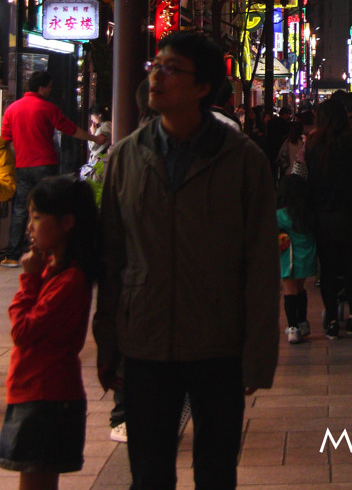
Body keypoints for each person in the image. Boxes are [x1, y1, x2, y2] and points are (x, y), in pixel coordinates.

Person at [93, 32, 279, 490]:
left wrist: (257, 357)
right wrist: (108, 342)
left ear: (202, 88)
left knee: (216, 473)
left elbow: (259, 265)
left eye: (172, 68)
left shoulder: (243, 160)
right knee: (149, 473)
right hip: (146, 342)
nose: (156, 75)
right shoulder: (126, 157)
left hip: (219, 345)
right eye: (156, 65)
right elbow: (111, 258)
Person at [0, 175, 99, 488]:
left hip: (46, 398)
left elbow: (23, 330)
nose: (29, 226)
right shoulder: (54, 270)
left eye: (37, 217)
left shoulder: (69, 280)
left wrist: (29, 281)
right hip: (37, 394)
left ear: (67, 222)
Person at [1, 71, 108, 268]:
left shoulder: (12, 109)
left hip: (22, 166)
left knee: (20, 209)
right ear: (42, 87)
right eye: (49, 86)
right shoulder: (47, 107)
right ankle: (49, 251)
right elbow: (69, 129)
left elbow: (5, 139)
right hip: (44, 164)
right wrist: (94, 138)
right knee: (49, 207)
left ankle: (12, 255)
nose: (50, 90)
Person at [305, 97, 352, 338]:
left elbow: (308, 176)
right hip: (351, 213)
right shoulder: (351, 140)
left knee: (328, 270)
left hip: (323, 215)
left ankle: (332, 318)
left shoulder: (313, 142)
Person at [277, 175, 317, 343]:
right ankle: (303, 322)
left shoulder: (281, 215)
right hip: (307, 259)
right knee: (300, 289)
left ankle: (293, 327)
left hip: (289, 260)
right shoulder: (308, 213)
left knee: (289, 291)